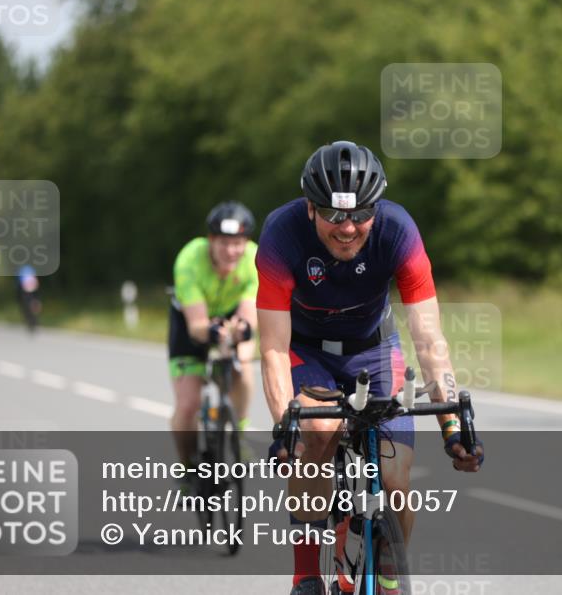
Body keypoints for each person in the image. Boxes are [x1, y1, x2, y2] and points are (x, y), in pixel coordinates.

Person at [256, 141, 484, 595]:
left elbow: (429, 340)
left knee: (396, 481)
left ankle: (387, 575)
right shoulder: (281, 235)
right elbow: (274, 348)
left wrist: (453, 426)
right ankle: (306, 573)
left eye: (361, 215)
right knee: (318, 431)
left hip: (374, 349)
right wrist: (286, 425)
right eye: (334, 215)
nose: (348, 228)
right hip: (307, 351)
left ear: (377, 208)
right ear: (310, 208)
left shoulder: (398, 231)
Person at [168, 201, 258, 470]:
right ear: (210, 241)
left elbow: (248, 319)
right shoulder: (189, 260)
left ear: (247, 242)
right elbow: (197, 326)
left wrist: (240, 340)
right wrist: (214, 332)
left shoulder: (255, 259)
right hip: (191, 322)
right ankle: (187, 468)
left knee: (242, 369)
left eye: (238, 243)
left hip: (231, 315)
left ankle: (237, 432)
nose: (232, 251)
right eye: (223, 244)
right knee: (188, 406)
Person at [16, 264, 41, 331]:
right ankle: (34, 321)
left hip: (25, 290)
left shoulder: (21, 270)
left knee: (26, 306)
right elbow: (36, 280)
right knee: (33, 305)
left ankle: (30, 321)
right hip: (32, 289)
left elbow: (18, 282)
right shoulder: (31, 269)